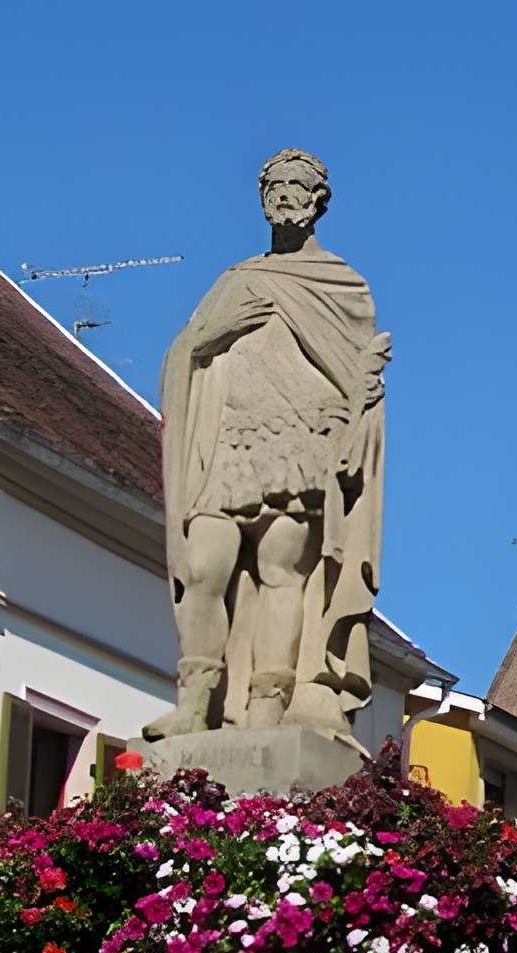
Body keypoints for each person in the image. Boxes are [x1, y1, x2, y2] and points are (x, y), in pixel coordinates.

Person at [145, 148, 386, 739]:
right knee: (203, 566)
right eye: (273, 186)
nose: (283, 194)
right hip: (231, 443)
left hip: (300, 443)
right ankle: (195, 700)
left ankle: (266, 709)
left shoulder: (343, 285)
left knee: (282, 569)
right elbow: (186, 352)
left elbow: (360, 383)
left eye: (296, 186)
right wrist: (211, 335)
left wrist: (353, 425)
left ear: (317, 201)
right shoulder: (238, 280)